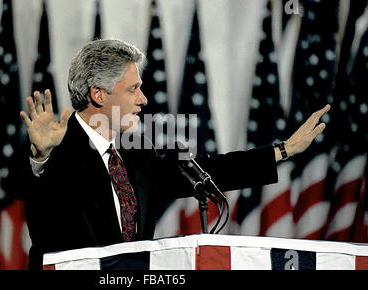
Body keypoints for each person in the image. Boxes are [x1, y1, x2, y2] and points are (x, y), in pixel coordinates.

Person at [18, 39, 330, 269]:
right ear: (98, 94)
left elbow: (209, 170)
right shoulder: (55, 150)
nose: (143, 99)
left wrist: (283, 150)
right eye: (132, 90)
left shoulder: (137, 156)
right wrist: (41, 156)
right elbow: (39, 211)